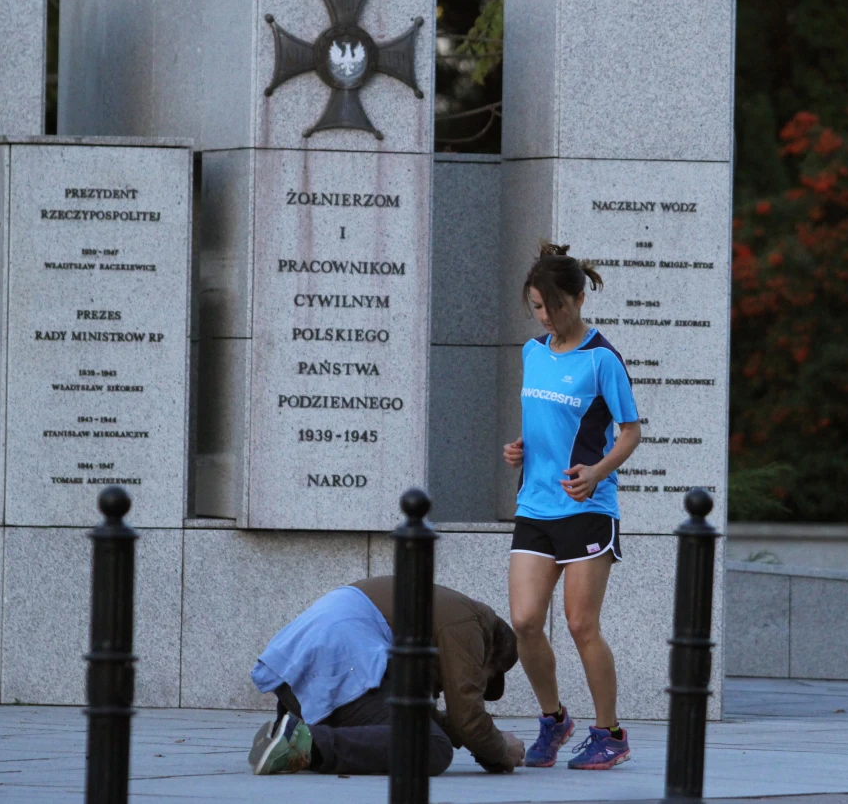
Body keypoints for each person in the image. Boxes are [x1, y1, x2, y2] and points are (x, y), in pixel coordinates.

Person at [503, 241, 641, 771]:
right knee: (525, 621)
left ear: (579, 299)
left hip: (588, 508)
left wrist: (596, 472)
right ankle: (553, 719)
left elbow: (630, 434)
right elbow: (545, 425)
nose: (547, 316)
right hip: (534, 506)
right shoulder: (532, 352)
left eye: (556, 306)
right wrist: (520, 449)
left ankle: (609, 734)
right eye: (538, 306)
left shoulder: (601, 358)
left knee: (582, 625)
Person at [246, 575, 526, 776]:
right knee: (431, 745)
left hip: (297, 678)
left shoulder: (437, 609)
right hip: (340, 664)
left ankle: (288, 732)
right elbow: (467, 719)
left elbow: (416, 713)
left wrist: (480, 741)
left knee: (408, 727)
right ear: (489, 653)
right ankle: (305, 743)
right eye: (481, 676)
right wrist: (502, 749)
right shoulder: (466, 624)